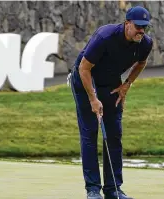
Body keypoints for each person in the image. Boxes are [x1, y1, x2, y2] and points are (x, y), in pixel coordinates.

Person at [68, 6, 153, 199]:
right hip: (85, 81)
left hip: (112, 83)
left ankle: (113, 189)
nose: (141, 31)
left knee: (114, 134)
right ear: (127, 24)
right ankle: (92, 190)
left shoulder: (145, 43)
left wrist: (126, 85)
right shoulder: (105, 37)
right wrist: (93, 98)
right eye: (138, 26)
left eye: (145, 27)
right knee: (90, 134)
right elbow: (83, 68)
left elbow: (141, 63)